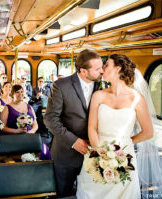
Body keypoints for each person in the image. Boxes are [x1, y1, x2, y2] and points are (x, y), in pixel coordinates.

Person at [76, 54, 156, 199]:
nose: (102, 70)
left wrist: (127, 141)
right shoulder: (98, 95)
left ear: (118, 69)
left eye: (106, 65)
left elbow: (148, 132)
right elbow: (92, 128)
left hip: (125, 156)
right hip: (98, 152)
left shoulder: (137, 98)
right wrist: (100, 155)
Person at [44, 49, 103, 197]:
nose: (102, 71)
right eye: (97, 69)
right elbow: (50, 118)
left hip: (94, 153)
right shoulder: (61, 85)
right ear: (83, 70)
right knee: (64, 193)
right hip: (66, 152)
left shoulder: (103, 85)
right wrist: (74, 141)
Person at [1, 85, 51, 160]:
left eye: (21, 91)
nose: (20, 94)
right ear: (12, 94)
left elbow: (35, 125)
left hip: (30, 136)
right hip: (15, 138)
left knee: (45, 150)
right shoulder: (7, 108)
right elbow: (2, 128)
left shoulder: (29, 107)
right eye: (17, 92)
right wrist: (17, 131)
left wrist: (31, 132)